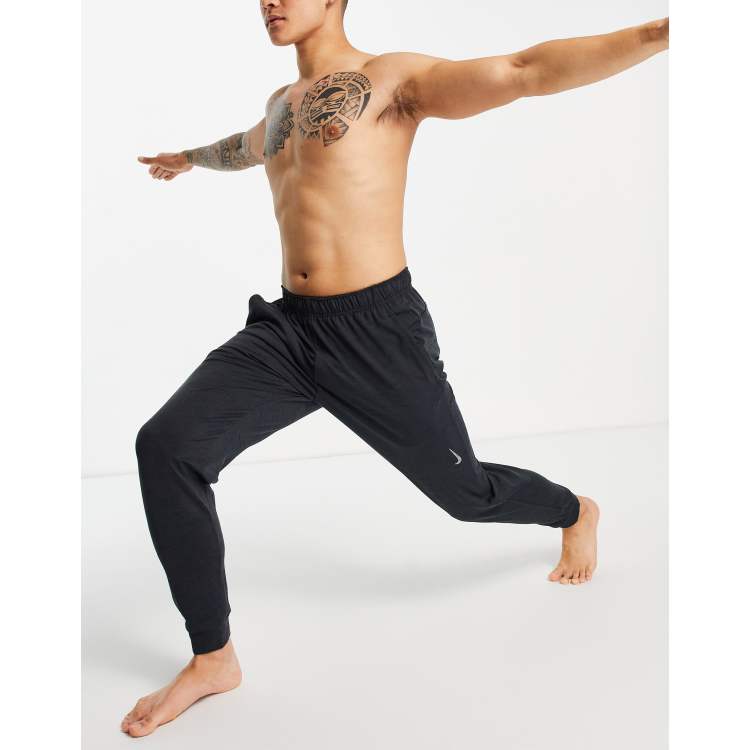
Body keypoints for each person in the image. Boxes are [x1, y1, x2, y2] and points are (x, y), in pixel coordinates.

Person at [123, 0, 668, 738]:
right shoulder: (281, 104)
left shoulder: (393, 81)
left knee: (467, 495)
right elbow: (247, 148)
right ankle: (213, 656)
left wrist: (658, 33)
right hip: (289, 332)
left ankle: (574, 510)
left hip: (377, 333)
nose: (270, 1)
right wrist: (189, 158)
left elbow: (523, 70)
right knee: (166, 447)